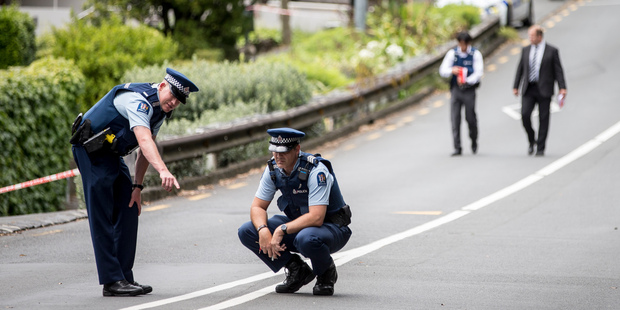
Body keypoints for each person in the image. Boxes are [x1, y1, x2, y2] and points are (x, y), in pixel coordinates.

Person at [70, 68, 199, 296]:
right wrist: (163, 170)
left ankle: (124, 277)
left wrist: (137, 187)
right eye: (172, 95)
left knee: (129, 208)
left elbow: (143, 151)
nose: (174, 102)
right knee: (101, 214)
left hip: (110, 154)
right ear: (161, 86)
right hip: (90, 151)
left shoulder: (159, 112)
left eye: (179, 100)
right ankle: (111, 281)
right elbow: (143, 138)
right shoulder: (140, 102)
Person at [238, 128, 352, 296]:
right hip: (300, 227)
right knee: (247, 231)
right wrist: (263, 230)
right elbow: (257, 207)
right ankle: (296, 269)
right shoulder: (273, 169)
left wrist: (281, 229)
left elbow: (316, 217)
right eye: (274, 151)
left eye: (283, 152)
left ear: (297, 150)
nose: (278, 156)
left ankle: (326, 272)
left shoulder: (315, 170)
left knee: (306, 239)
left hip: (331, 228)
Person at [513, 25, 567, 156]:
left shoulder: (551, 51)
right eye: (529, 36)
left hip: (544, 88)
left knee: (544, 118)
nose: (530, 38)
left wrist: (562, 87)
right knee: (525, 115)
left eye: (532, 36)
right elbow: (520, 68)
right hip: (529, 88)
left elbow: (558, 70)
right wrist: (516, 86)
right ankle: (532, 140)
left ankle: (541, 147)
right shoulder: (526, 50)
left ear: (539, 37)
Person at [439, 31, 484, 156]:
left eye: (464, 44)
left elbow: (478, 73)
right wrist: (452, 71)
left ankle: (474, 140)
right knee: (455, 118)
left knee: (470, 117)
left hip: (469, 90)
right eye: (460, 44)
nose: (462, 47)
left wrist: (466, 80)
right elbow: (443, 70)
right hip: (456, 90)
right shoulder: (452, 54)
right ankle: (457, 146)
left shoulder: (475, 54)